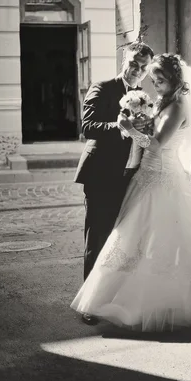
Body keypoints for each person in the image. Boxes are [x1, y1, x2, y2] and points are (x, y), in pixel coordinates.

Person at [70, 53, 191, 332]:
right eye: (152, 79)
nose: (154, 84)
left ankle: (155, 300)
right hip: (133, 177)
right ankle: (99, 298)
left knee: (156, 241)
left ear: (175, 80)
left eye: (159, 79)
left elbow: (155, 144)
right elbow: (91, 126)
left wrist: (129, 128)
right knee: (114, 238)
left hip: (162, 177)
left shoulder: (176, 106)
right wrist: (135, 124)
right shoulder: (135, 95)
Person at [74, 41, 154, 325]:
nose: (137, 70)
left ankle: (112, 294)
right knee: (97, 237)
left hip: (130, 175)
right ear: (125, 60)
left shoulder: (143, 96)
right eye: (134, 63)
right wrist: (119, 127)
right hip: (101, 174)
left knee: (120, 239)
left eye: (143, 67)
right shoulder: (103, 87)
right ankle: (89, 302)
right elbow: (88, 127)